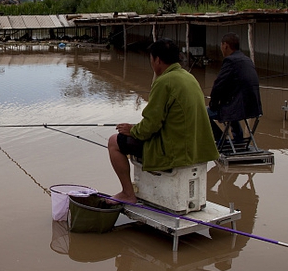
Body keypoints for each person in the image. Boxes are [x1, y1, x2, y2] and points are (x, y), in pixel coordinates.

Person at [108, 38, 219, 203]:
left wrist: (132, 130)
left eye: (151, 60)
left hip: (173, 149)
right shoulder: (189, 77)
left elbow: (150, 125)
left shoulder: (164, 82)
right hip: (196, 147)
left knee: (114, 142)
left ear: (157, 60)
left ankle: (128, 194)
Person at [207, 32, 262, 143]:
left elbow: (218, 85)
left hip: (237, 108)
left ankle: (220, 140)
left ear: (225, 45)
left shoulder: (230, 61)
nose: (221, 48)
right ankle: (238, 139)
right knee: (231, 106)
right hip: (254, 108)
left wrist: (213, 105)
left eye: (221, 45)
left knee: (202, 113)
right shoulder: (246, 60)